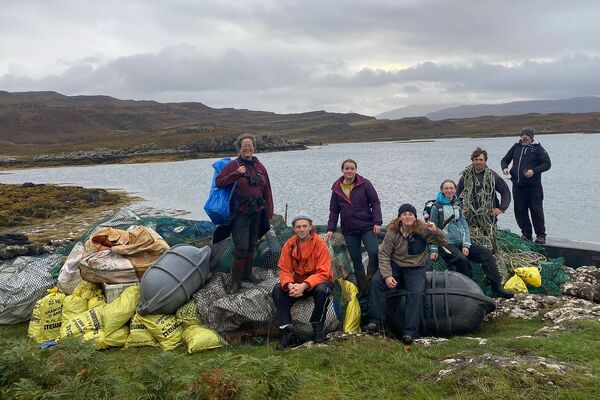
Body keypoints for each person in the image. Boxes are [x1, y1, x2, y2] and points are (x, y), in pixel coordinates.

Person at [365, 203, 447, 346]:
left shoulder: (423, 230)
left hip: (415, 267)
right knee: (377, 282)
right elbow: (384, 254)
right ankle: (376, 322)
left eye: (410, 214)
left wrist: (436, 231)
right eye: (404, 214)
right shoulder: (393, 231)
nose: (407, 217)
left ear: (415, 217)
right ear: (400, 217)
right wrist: (387, 275)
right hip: (395, 264)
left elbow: (444, 241)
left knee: (416, 293)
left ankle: (410, 331)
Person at [430, 180, 513, 298]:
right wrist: (434, 249)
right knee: (461, 259)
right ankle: (469, 290)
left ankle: (497, 287)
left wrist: (466, 244)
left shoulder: (457, 205)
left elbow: (464, 226)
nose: (449, 191)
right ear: (442, 190)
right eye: (446, 188)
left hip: (461, 242)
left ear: (455, 190)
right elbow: (432, 229)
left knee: (486, 253)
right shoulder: (436, 207)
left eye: (451, 188)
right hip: (446, 243)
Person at [215, 134, 274, 294]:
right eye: (244, 146)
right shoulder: (234, 165)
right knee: (241, 247)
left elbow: (267, 189)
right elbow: (219, 182)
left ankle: (247, 274)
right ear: (239, 148)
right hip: (240, 213)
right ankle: (236, 282)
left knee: (252, 245)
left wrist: (270, 211)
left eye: (250, 146)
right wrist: (236, 174)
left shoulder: (260, 167)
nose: (247, 148)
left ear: (254, 148)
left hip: (257, 212)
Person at [273, 213, 333, 349]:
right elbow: (284, 269)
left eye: (305, 226)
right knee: (277, 289)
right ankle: (286, 330)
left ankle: (318, 328)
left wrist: (305, 285)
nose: (301, 229)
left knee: (322, 291)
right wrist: (290, 285)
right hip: (296, 283)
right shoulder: (289, 245)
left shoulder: (320, 244)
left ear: (310, 227)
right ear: (293, 229)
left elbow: (324, 272)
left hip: (317, 282)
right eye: (298, 226)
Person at [326, 159, 382, 297]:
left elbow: (375, 202)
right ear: (342, 170)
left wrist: (377, 222)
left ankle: (370, 283)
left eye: (352, 168)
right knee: (356, 259)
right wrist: (331, 228)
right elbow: (334, 210)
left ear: (356, 170)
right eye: (347, 168)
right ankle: (363, 288)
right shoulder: (337, 188)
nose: (349, 171)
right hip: (349, 229)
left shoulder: (364, 184)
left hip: (367, 226)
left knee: (374, 252)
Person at [501, 127, 551, 244]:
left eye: (527, 134)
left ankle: (540, 235)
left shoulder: (538, 148)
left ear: (532, 137)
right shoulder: (516, 147)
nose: (524, 136)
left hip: (533, 187)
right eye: (523, 134)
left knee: (536, 210)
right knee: (520, 210)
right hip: (518, 186)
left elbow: (547, 164)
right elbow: (505, 159)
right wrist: (505, 167)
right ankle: (526, 234)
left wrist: (534, 171)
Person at [458, 147, 511, 250]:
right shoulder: (466, 176)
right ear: (472, 161)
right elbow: (457, 192)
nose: (478, 162)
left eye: (481, 160)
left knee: (489, 240)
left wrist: (501, 208)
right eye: (476, 159)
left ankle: (492, 256)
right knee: (472, 239)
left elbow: (505, 192)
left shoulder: (492, 175)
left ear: (485, 161)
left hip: (488, 215)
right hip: (470, 214)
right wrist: (460, 206)